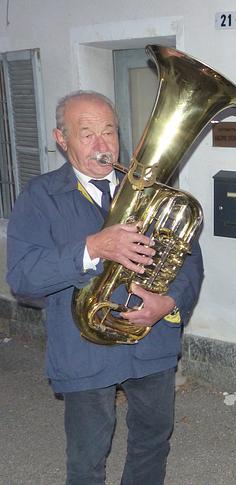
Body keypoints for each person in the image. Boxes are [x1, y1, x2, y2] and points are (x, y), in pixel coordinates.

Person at [6, 90, 204, 485]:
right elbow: (23, 277)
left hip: (150, 340)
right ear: (61, 140)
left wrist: (168, 302)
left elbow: (189, 261)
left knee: (153, 442)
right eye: (87, 134)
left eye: (109, 132)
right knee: (88, 458)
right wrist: (93, 248)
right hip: (83, 347)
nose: (102, 144)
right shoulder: (40, 197)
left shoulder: (152, 192)